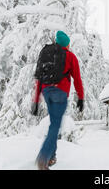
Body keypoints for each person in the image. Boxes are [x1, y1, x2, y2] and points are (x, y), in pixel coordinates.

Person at [34, 31, 84, 170]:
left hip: (46, 92)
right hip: (60, 93)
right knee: (55, 126)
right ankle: (43, 158)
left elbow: (39, 77)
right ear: (66, 44)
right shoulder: (70, 56)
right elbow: (77, 79)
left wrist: (36, 99)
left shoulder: (47, 55)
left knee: (53, 124)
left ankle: (51, 157)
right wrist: (81, 97)